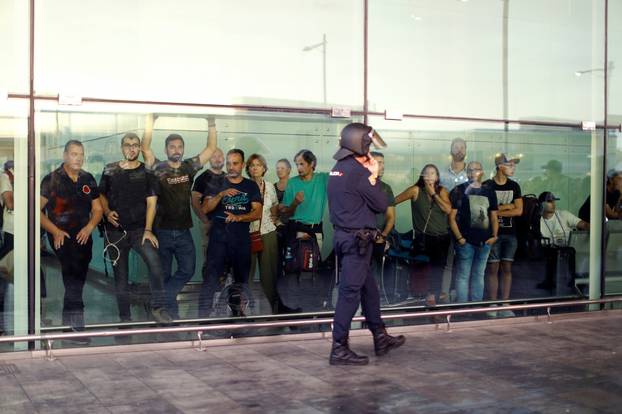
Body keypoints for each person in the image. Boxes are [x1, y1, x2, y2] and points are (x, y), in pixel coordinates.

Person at [327, 122, 405, 366]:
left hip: (345, 237)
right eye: (367, 143)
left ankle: (380, 336)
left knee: (369, 289)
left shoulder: (337, 168)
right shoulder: (358, 173)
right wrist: (372, 175)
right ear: (358, 143)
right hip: (356, 241)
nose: (370, 148)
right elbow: (381, 204)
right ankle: (339, 347)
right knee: (350, 294)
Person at [141, 114, 217, 318]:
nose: (176, 150)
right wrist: (151, 122)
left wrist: (211, 123)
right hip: (162, 233)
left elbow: (210, 149)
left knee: (188, 269)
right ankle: (170, 315)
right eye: (172, 146)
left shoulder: (188, 167)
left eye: (179, 146)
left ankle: (163, 303)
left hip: (183, 232)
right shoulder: (158, 168)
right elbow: (145, 148)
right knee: (164, 274)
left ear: (183, 149)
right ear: (166, 149)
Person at [98, 132, 172, 324]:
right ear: (121, 147)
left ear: (139, 148)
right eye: (127, 144)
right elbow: (101, 195)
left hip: (140, 231)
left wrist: (148, 230)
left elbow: (152, 203)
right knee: (120, 278)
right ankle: (125, 318)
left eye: (135, 144)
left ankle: (158, 308)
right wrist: (106, 212)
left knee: (156, 266)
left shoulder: (147, 172)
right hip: (115, 232)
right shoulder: (110, 169)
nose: (131, 148)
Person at [40, 140, 103, 336]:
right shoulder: (51, 180)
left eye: (81, 154)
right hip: (62, 236)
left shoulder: (88, 179)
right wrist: (55, 231)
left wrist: (90, 227)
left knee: (78, 277)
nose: (79, 158)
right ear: (65, 155)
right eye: (74, 154)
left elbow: (98, 209)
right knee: (72, 275)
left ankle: (68, 320)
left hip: (84, 236)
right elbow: (36, 211)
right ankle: (77, 324)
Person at [199, 149, 262, 317]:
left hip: (240, 241)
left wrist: (239, 218)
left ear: (242, 165)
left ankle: (237, 315)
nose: (231, 167)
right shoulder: (216, 182)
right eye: (229, 163)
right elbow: (205, 209)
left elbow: (257, 212)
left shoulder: (250, 185)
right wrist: (221, 194)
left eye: (235, 163)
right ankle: (202, 320)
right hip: (218, 240)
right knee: (211, 280)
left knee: (241, 282)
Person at [394, 164, 451, 305]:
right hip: (425, 238)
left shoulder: (442, 191)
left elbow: (448, 209)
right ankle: (431, 298)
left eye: (433, 173)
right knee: (431, 268)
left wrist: (433, 194)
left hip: (442, 237)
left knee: (440, 268)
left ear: (437, 177)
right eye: (426, 173)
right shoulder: (415, 190)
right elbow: (393, 201)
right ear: (422, 176)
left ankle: (434, 297)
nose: (430, 176)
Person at [448, 161, 498, 303]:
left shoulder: (489, 191)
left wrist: (494, 236)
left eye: (476, 169)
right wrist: (459, 238)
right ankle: (462, 309)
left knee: (479, 274)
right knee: (463, 275)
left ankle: (476, 307)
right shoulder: (459, 190)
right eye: (469, 170)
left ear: (481, 172)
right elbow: (451, 217)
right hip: (466, 241)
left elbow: (494, 216)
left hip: (485, 241)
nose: (472, 173)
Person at [484, 153, 523, 318]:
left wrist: (499, 209)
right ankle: (492, 303)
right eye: (510, 165)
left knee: (507, 268)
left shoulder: (514, 186)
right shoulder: (487, 185)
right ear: (500, 166)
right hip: (493, 233)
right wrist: (508, 207)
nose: (513, 168)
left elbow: (519, 211)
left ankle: (505, 303)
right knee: (493, 268)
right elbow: (485, 211)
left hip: (510, 233)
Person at [246, 153, 283, 314]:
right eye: (252, 165)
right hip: (248, 233)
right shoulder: (244, 185)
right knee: (246, 273)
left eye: (258, 165)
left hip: (268, 232)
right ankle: (244, 308)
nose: (255, 168)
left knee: (269, 275)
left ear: (264, 168)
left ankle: (272, 309)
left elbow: (274, 205)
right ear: (248, 169)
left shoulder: (269, 186)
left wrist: (275, 219)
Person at [537, 191, 589, 292]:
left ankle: (576, 279)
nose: (553, 204)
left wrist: (592, 228)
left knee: (572, 252)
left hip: (569, 248)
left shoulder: (563, 214)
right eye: (549, 202)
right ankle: (551, 281)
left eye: (554, 201)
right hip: (550, 250)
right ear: (542, 204)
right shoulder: (538, 220)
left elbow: (582, 224)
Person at [279, 150, 328, 251]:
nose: (298, 168)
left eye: (302, 164)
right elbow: (285, 216)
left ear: (312, 164)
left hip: (316, 229)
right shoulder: (292, 183)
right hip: (296, 228)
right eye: (297, 165)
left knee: (314, 264)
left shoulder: (323, 179)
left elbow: (341, 174)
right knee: (295, 264)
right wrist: (295, 203)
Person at [439, 138, 468, 302]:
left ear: (466, 151)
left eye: (462, 147)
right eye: (455, 147)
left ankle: (462, 296)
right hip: (445, 224)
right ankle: (444, 298)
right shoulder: (441, 175)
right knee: (447, 263)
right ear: (450, 150)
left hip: (466, 224)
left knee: (465, 263)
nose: (459, 150)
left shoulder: (471, 174)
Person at [191, 147, 226, 281]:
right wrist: (205, 220)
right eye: (214, 156)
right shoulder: (202, 178)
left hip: (225, 225)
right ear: (209, 159)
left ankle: (223, 292)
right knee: (211, 260)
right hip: (209, 225)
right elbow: (194, 201)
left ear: (223, 158)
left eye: (220, 156)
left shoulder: (228, 178)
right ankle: (208, 293)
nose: (217, 159)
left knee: (225, 260)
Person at [370, 152, 395, 275]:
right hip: (363, 238)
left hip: (380, 238)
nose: (383, 166)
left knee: (378, 273)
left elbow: (391, 217)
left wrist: (383, 236)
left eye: (383, 163)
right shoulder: (360, 187)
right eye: (379, 163)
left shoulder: (386, 188)